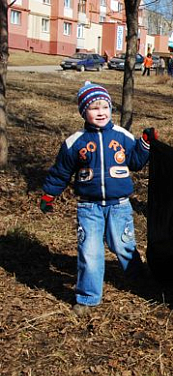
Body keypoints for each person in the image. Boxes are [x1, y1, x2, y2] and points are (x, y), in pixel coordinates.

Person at [39, 82, 157, 317]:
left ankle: (139, 279)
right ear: (84, 112)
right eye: (94, 108)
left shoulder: (122, 136)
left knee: (123, 245)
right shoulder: (75, 142)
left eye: (105, 106)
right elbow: (61, 171)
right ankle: (87, 297)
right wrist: (49, 194)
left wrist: (145, 144)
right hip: (88, 206)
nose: (101, 112)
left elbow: (135, 162)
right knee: (90, 251)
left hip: (120, 205)